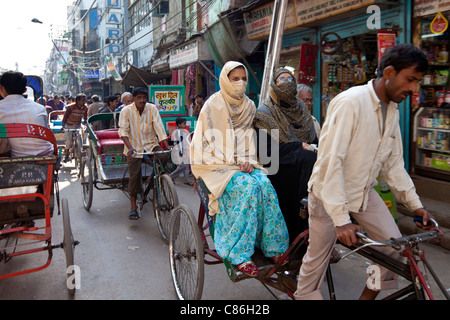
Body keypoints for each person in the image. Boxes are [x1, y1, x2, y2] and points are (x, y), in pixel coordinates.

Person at [294, 44, 432, 300]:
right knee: (316, 264)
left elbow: (393, 164)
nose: (414, 89)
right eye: (410, 80)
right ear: (389, 72)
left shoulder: (391, 109)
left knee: (393, 249)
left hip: (363, 193)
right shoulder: (350, 103)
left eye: (418, 82)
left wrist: (414, 205)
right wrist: (341, 220)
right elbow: (330, 163)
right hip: (327, 196)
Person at [190, 61, 289, 277]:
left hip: (242, 162)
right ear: (225, 80)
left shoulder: (249, 106)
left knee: (265, 185)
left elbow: (247, 140)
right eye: (235, 79)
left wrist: (247, 161)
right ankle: (239, 253)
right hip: (215, 164)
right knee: (247, 189)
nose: (240, 83)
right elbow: (211, 143)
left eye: (243, 79)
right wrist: (237, 163)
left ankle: (273, 246)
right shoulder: (212, 105)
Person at [254, 68, 317, 242]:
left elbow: (314, 140)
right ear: (274, 84)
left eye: (290, 79)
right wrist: (297, 146)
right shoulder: (266, 112)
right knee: (308, 158)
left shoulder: (302, 109)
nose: (286, 83)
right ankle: (299, 231)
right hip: (276, 166)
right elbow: (267, 152)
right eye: (281, 80)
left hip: (303, 166)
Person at [119, 87, 170, 220]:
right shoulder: (126, 111)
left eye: (144, 98)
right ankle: (133, 207)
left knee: (164, 156)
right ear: (134, 99)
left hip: (151, 144)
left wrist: (167, 146)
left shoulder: (152, 109)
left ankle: (152, 178)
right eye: (139, 98)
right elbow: (123, 131)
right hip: (133, 147)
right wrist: (129, 148)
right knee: (134, 176)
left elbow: (159, 128)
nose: (142, 100)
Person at [0, 71, 54, 157]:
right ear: (25, 90)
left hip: (16, 157)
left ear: (1, 88)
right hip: (45, 155)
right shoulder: (40, 108)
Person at [61, 94, 88, 162]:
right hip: (69, 124)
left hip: (77, 124)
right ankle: (67, 153)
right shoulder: (70, 107)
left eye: (84, 100)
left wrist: (85, 123)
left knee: (81, 137)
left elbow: (85, 117)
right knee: (69, 140)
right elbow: (65, 117)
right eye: (82, 100)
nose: (84, 101)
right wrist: (63, 126)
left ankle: (80, 150)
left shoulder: (85, 108)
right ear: (78, 100)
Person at [169, 117, 194, 186]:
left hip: (183, 150)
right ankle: (171, 175)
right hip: (180, 151)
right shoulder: (180, 132)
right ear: (179, 125)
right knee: (182, 165)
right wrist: (181, 152)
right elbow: (179, 143)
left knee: (186, 165)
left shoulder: (182, 131)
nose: (185, 125)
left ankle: (186, 180)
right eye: (184, 124)